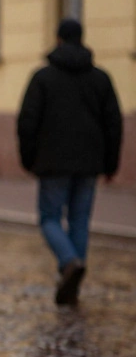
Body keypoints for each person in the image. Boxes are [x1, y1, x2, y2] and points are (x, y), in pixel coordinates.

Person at [17, 19, 123, 306]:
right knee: (79, 220)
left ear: (58, 40)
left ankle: (68, 263)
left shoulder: (43, 78)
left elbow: (27, 121)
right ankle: (72, 281)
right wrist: (111, 164)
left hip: (52, 162)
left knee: (50, 218)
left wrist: (28, 159)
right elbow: (113, 123)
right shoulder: (100, 78)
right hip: (89, 162)